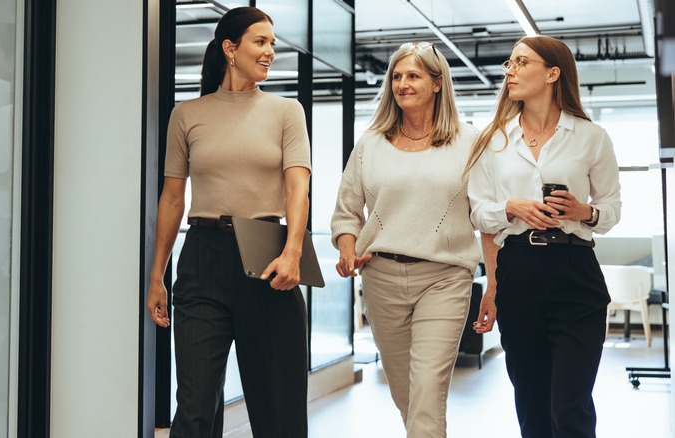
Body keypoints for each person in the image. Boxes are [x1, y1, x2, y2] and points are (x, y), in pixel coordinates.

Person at [145, 7, 311, 438]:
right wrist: (157, 275)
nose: (270, 51)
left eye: (273, 43)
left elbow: (298, 189)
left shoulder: (286, 111)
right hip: (203, 260)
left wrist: (293, 252)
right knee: (194, 407)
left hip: (268, 260)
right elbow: (172, 198)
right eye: (261, 41)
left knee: (279, 411)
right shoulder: (187, 114)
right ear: (230, 49)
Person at [466, 35, 622, 438]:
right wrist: (511, 207)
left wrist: (583, 212)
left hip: (575, 271)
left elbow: (611, 209)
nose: (510, 71)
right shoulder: (493, 140)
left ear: (553, 74)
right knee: (532, 404)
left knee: (570, 407)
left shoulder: (591, 136)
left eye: (522, 62)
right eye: (509, 64)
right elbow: (478, 212)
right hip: (518, 270)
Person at [331, 41, 480, 437]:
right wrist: (347, 249)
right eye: (396, 76)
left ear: (437, 83)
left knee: (427, 390)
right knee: (406, 394)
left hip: (445, 278)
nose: (402, 84)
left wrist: (496, 283)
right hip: (381, 278)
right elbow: (346, 212)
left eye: (413, 75)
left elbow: (487, 215)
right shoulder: (370, 144)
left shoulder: (468, 141)